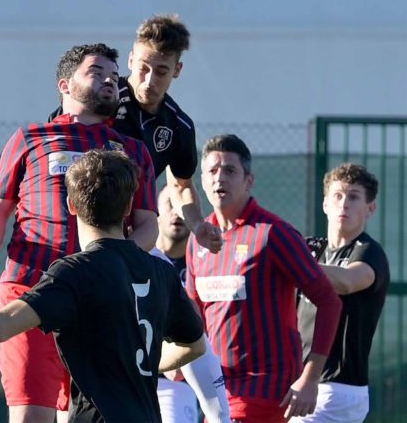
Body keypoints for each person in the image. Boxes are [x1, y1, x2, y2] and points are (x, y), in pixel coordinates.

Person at [0, 149, 206, 422]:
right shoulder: (161, 271)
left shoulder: (76, 273)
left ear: (70, 205)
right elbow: (194, 346)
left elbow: (2, 325)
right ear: (129, 207)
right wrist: (141, 365)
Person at [0, 43, 159, 423]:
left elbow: (147, 225)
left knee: (99, 416)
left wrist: (112, 262)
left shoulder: (132, 150)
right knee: (31, 415)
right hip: (31, 289)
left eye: (114, 76)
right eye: (96, 72)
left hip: (102, 296)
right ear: (64, 84)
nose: (110, 81)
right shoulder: (30, 137)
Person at [185, 134, 343, 423]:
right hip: (218, 390)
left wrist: (310, 378)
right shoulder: (199, 239)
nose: (220, 178)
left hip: (266, 389)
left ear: (249, 181)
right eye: (212, 171)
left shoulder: (273, 233)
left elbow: (329, 301)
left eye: (230, 170)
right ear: (203, 181)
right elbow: (194, 312)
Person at [50, 14, 222, 253]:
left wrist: (198, 225)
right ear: (131, 60)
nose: (149, 81)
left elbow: (181, 186)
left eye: (161, 71)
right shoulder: (100, 99)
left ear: (177, 70)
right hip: (72, 225)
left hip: (130, 236)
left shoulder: (178, 126)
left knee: (164, 274)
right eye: (143, 68)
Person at [292, 163, 390, 423]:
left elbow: (347, 281)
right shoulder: (314, 251)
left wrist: (293, 261)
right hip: (299, 381)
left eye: (354, 197)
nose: (344, 203)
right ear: (325, 204)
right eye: (337, 195)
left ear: (370, 208)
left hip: (338, 389)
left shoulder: (369, 252)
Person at [153, 185, 231, 423]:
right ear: (155, 210)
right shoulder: (145, 259)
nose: (176, 213)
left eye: (181, 208)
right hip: (139, 373)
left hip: (180, 380)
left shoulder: (204, 261)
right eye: (169, 205)